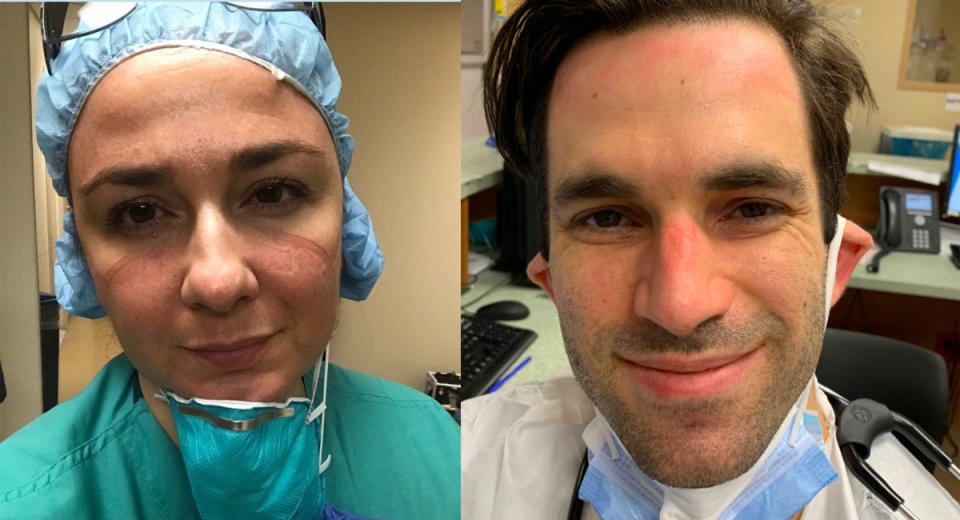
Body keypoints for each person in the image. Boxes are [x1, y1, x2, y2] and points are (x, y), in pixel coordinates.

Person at [462, 1, 960, 519]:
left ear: (836, 262)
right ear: (551, 281)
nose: (679, 306)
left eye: (752, 208)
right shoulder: (465, 469)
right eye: (607, 218)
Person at [0, 3, 459, 519]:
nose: (218, 282)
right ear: (80, 253)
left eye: (272, 193)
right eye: (140, 211)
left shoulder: (437, 449)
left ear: (346, 215)